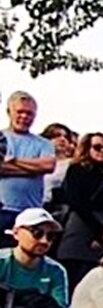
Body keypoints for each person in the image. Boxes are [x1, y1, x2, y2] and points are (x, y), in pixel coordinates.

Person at [56, 133, 103, 291]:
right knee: (71, 275)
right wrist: (99, 231)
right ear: (87, 148)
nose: (101, 151)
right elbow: (77, 202)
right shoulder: (76, 171)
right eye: (97, 147)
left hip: (101, 233)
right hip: (79, 226)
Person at [0, 92, 55, 248]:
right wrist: (33, 169)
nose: (24, 117)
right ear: (9, 112)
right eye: (20, 112)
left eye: (29, 113)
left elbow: (47, 166)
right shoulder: (1, 138)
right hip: (3, 208)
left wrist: (13, 161)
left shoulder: (43, 144)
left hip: (31, 213)